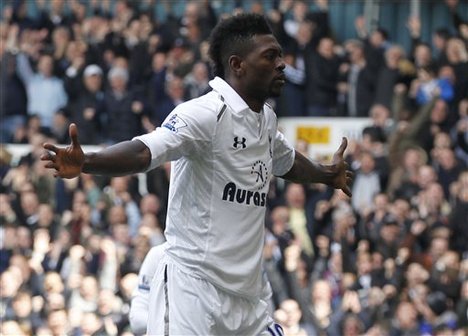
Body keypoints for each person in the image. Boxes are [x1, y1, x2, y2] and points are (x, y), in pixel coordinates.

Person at [41, 13, 352, 335]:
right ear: (237, 64)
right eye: (270, 57)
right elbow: (144, 151)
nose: (281, 64)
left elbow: (287, 162)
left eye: (281, 56)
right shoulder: (205, 114)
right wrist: (88, 162)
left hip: (249, 294)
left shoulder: (266, 120)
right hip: (194, 290)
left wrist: (327, 175)